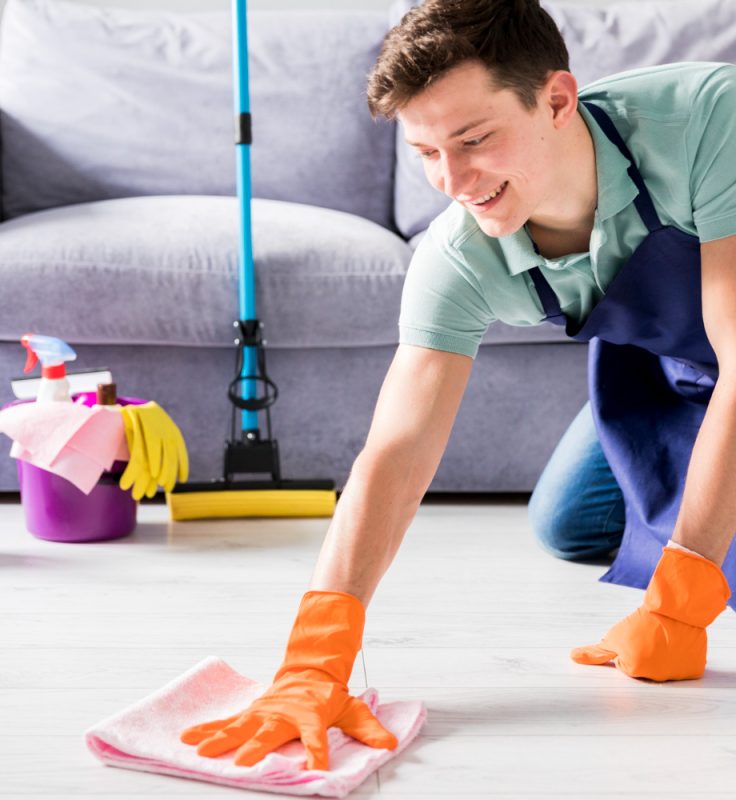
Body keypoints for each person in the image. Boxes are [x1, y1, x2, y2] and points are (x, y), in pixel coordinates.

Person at [179, 0, 736, 770]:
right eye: (426, 152)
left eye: (474, 140)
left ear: (557, 100)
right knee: (567, 525)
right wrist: (315, 658)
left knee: (705, 553)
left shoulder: (707, 119)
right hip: (667, 364)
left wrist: (682, 597)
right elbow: (397, 448)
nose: (455, 181)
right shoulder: (458, 257)